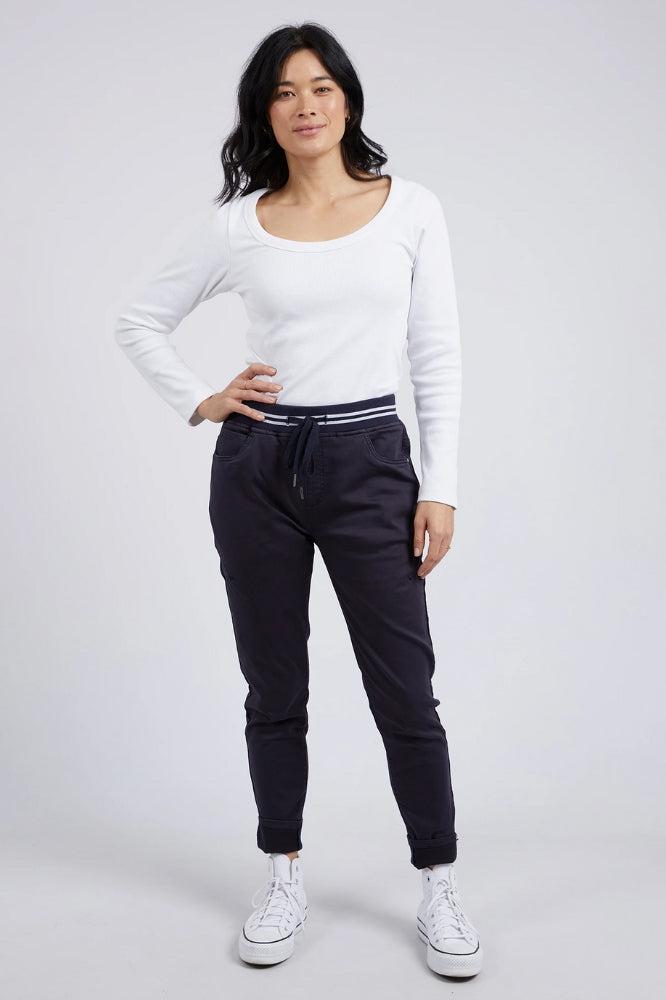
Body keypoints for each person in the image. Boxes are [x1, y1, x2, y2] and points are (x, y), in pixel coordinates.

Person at [113, 21, 483, 979]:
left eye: (320, 87)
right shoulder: (239, 224)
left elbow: (436, 354)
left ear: (347, 98)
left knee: (404, 687)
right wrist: (203, 399)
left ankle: (438, 881)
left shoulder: (410, 209)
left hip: (370, 463)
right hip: (258, 469)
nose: (305, 105)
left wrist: (440, 487)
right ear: (264, 113)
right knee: (274, 687)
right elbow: (140, 320)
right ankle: (282, 875)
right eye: (284, 92)